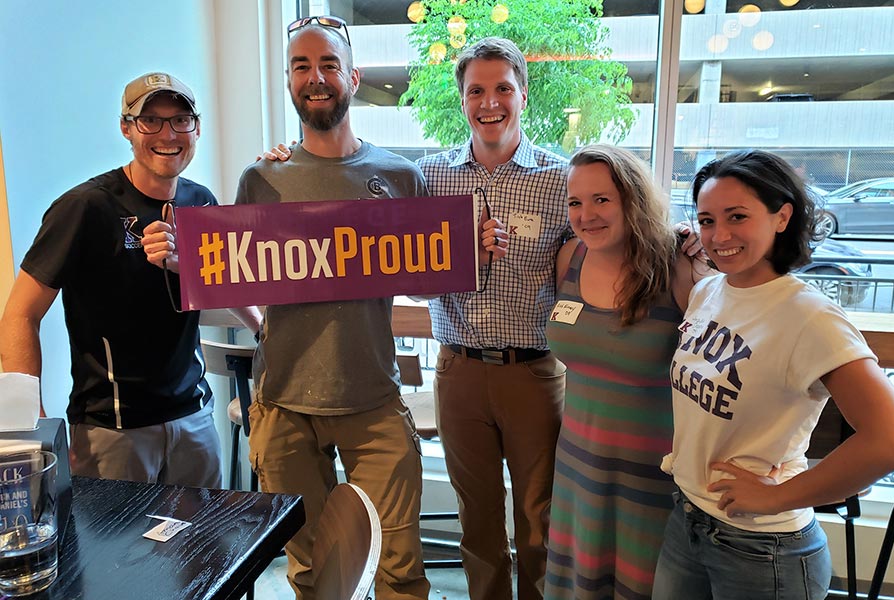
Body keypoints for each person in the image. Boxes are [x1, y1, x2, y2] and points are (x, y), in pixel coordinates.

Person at [235, 17, 499, 600]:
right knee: (312, 572)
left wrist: (465, 253)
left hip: (374, 401)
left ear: (351, 76)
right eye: (302, 66)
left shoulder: (399, 175)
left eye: (328, 64)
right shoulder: (262, 178)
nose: (316, 77)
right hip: (283, 406)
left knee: (400, 572)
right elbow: (236, 275)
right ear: (288, 81)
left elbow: (428, 285)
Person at [652, 150, 894, 600]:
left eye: (737, 216)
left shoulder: (809, 316)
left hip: (762, 547)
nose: (718, 234)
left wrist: (777, 496)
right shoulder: (709, 290)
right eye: (707, 220)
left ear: (782, 216)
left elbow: (891, 438)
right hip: (687, 519)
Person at [0, 72, 259, 486]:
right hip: (112, 430)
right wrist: (31, 421)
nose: (167, 133)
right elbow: (19, 315)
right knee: (118, 552)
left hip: (194, 419)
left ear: (196, 128)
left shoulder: (201, 201)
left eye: (180, 120)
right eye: (150, 120)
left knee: (203, 547)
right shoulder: (85, 207)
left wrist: (263, 330)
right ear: (126, 127)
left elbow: (222, 281)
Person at [415, 37, 571, 600]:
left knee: (539, 520)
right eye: (476, 90)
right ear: (462, 101)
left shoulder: (560, 179)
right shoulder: (429, 178)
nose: (490, 102)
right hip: (458, 371)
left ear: (523, 96)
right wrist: (464, 257)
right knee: (476, 519)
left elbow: (596, 256)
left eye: (502, 88)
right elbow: (410, 282)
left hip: (534, 372)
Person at [543, 145, 700, 600]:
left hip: (652, 480)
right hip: (577, 468)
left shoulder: (680, 266)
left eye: (601, 199)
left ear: (633, 199)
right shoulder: (569, 257)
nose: (586, 214)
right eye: (575, 202)